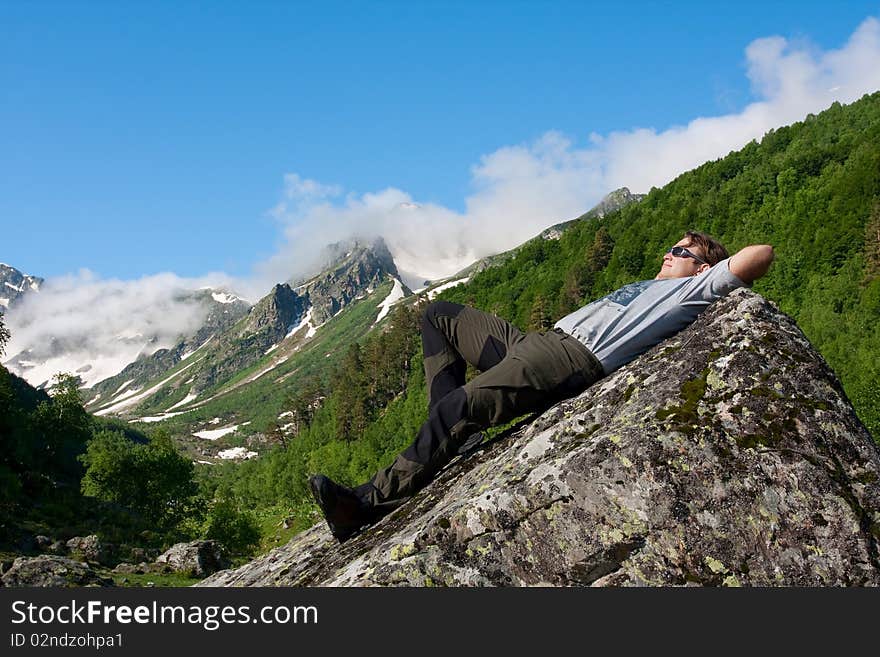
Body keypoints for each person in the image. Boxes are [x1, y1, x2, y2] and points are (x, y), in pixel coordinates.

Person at [309, 231, 775, 542]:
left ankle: (368, 504)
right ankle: (454, 429)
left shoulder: (689, 292)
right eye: (671, 249)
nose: (668, 254)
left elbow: (761, 256)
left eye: (681, 252)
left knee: (458, 405)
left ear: (702, 270)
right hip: (537, 342)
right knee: (439, 316)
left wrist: (716, 271)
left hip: (566, 358)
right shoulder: (655, 286)